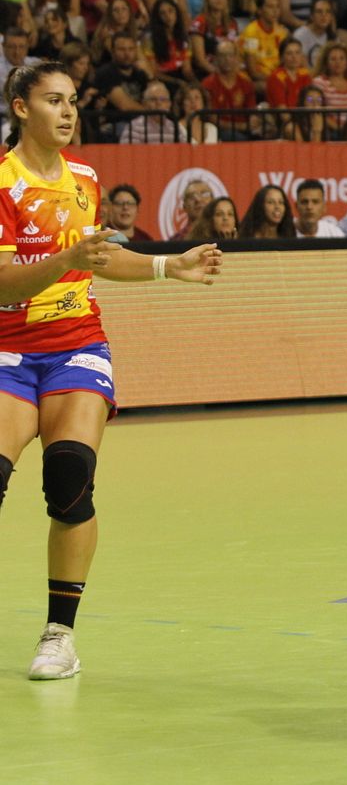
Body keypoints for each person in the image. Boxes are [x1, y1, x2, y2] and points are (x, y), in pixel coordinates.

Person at [0, 63, 223, 680]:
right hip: (9, 353)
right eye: (53, 101)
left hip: (75, 346)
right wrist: (67, 258)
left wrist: (166, 267)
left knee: (69, 478)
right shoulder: (2, 183)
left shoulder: (85, 179)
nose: (68, 112)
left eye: (72, 101)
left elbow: (97, 263)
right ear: (22, 108)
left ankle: (58, 637)